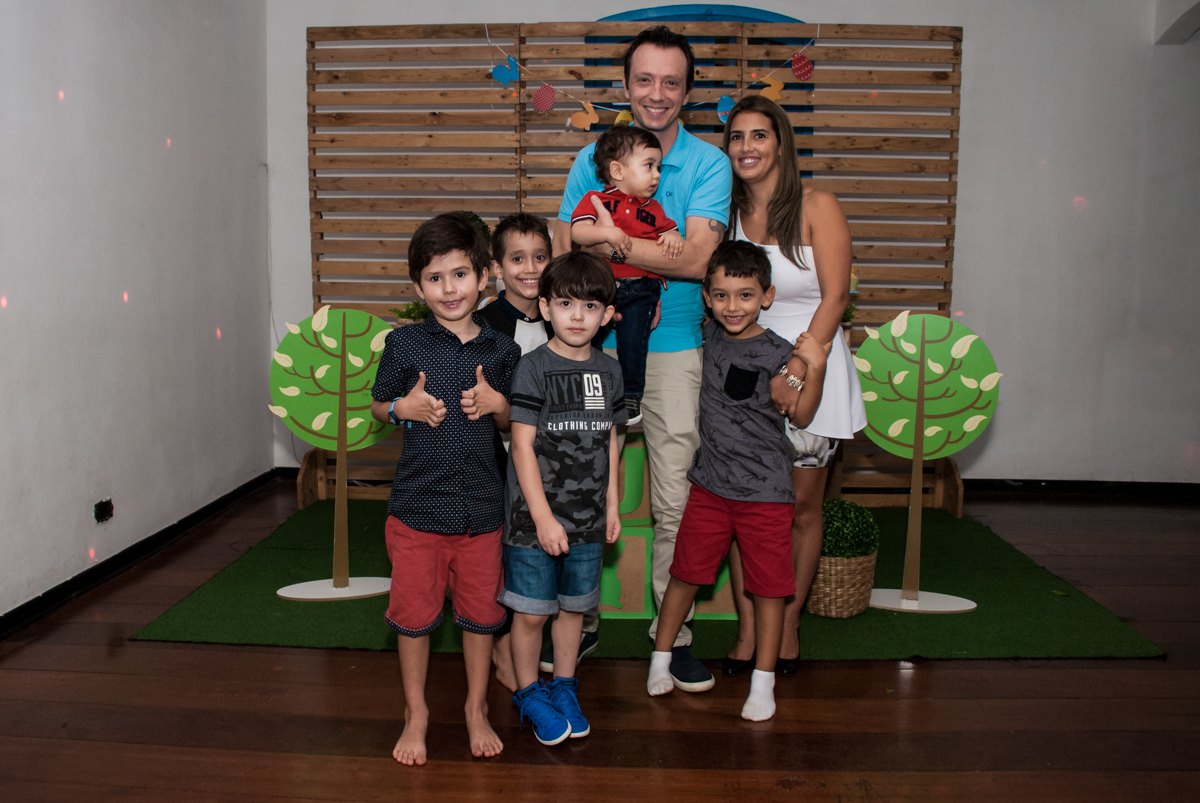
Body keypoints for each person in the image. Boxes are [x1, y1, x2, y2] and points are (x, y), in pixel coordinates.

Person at [553, 25, 731, 689]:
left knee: (676, 496)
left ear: (688, 90)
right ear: (626, 86)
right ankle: (580, 615)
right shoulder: (592, 158)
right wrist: (641, 250)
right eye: (644, 80)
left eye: (671, 82)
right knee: (577, 489)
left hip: (677, 349)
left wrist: (617, 243)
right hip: (588, 347)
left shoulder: (708, 165)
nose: (656, 94)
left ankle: (672, 632)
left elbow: (701, 257)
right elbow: (571, 242)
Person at [647, 240, 829, 721]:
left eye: (745, 295)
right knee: (685, 575)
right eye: (723, 295)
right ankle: (660, 660)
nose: (733, 306)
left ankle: (763, 684)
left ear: (766, 296)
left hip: (767, 495)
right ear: (707, 296)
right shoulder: (703, 338)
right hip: (709, 488)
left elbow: (802, 414)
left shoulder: (780, 353)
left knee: (769, 589)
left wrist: (816, 367)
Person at [719, 95, 867, 677]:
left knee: (801, 509)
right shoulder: (723, 214)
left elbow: (836, 297)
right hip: (738, 373)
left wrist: (799, 369)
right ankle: (750, 630)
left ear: (780, 142)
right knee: (742, 506)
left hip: (810, 365)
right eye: (737, 137)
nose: (748, 147)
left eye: (760, 135)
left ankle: (789, 629)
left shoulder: (817, 205)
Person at [369, 212, 521, 766]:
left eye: (460, 274)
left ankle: (475, 707)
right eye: (435, 278)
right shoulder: (405, 345)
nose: (449, 288)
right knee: (413, 616)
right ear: (418, 287)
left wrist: (499, 406)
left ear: (484, 277)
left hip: (482, 509)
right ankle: (417, 713)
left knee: (481, 616)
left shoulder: (503, 353)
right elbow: (378, 406)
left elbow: (512, 426)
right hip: (416, 510)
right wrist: (402, 409)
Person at [502, 252, 626, 745]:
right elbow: (522, 446)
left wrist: (613, 504)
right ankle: (529, 693)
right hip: (533, 523)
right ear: (546, 308)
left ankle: (564, 686)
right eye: (566, 303)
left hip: (589, 520)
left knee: (574, 609)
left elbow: (612, 441)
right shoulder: (532, 368)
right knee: (532, 612)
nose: (578, 316)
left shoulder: (611, 371)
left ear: (608, 314)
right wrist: (543, 517)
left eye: (591, 306)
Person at [476, 212, 555, 694]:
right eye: (517, 258)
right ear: (497, 267)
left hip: (547, 467)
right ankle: (502, 650)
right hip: (492, 466)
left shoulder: (563, 317)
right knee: (495, 558)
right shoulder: (483, 326)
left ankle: (528, 642)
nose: (530, 268)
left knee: (533, 558)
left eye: (540, 257)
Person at [570, 125, 684, 425]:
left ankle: (631, 397)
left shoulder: (654, 208)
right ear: (618, 170)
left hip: (642, 290)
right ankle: (587, 395)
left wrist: (673, 237)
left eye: (658, 166)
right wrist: (605, 231)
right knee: (588, 342)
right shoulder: (597, 200)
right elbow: (577, 231)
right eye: (649, 165)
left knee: (634, 345)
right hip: (601, 288)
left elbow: (669, 232)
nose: (657, 174)